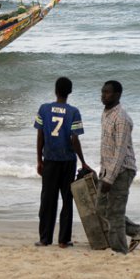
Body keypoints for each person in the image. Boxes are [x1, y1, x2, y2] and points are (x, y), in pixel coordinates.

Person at [34, 77, 90, 248]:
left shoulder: (44, 109)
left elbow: (40, 135)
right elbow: (74, 139)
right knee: (67, 200)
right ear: (70, 92)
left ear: (55, 90)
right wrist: (83, 161)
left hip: (50, 160)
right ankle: (64, 240)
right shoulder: (74, 112)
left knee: (48, 200)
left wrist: (39, 160)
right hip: (68, 161)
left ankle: (44, 239)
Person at [96, 80, 140, 254]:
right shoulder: (106, 114)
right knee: (101, 208)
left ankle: (119, 251)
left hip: (122, 171)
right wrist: (103, 171)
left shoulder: (122, 118)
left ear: (117, 95)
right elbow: (107, 146)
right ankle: (135, 231)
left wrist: (109, 178)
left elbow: (119, 152)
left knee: (115, 213)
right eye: (103, 92)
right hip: (107, 170)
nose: (103, 95)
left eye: (107, 92)